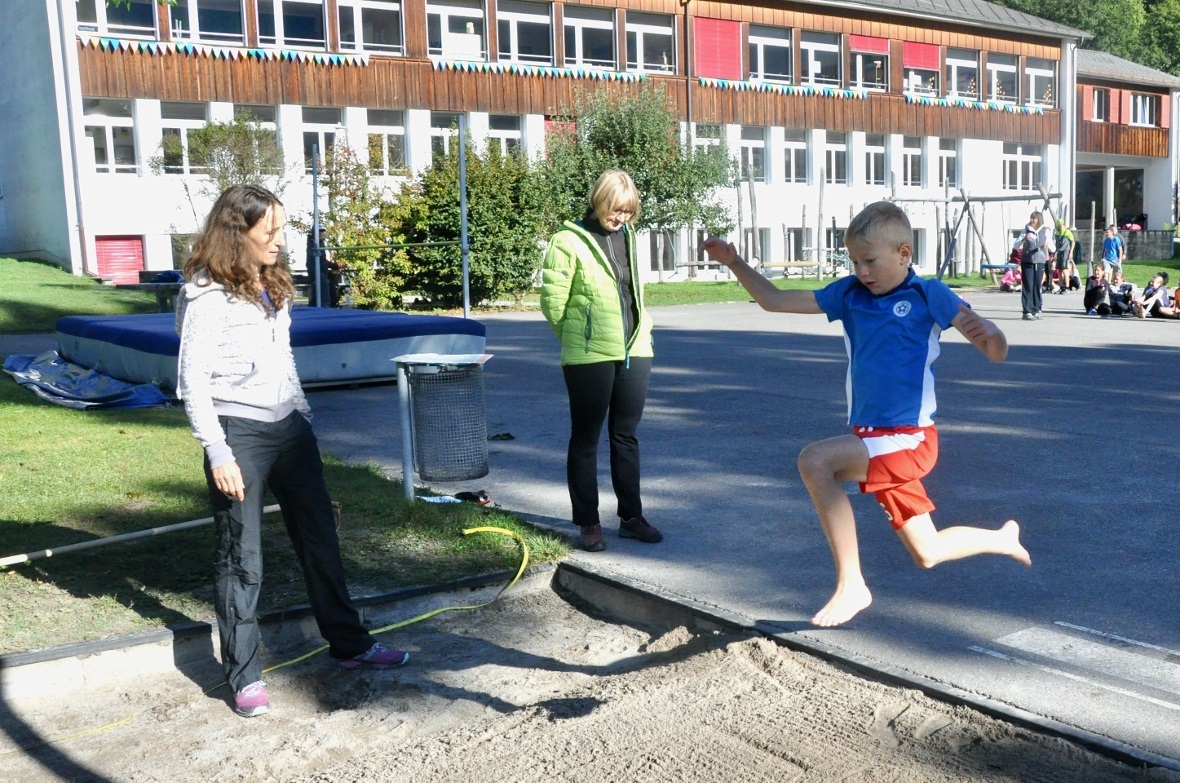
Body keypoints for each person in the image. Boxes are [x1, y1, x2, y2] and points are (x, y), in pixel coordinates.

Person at [701, 201, 1030, 627]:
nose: (862, 271)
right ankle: (1001, 538)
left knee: (815, 460)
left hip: (908, 440)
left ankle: (852, 583)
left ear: (904, 254)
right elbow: (774, 300)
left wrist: (995, 334)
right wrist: (735, 262)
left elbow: (994, 352)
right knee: (927, 552)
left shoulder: (929, 294)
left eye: (870, 260)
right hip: (873, 439)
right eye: (855, 261)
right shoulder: (850, 295)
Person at [176, 185, 408, 718]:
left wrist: (302, 416)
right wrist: (218, 452)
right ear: (239, 233)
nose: (280, 241)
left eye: (281, 229)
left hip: (289, 429)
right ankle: (245, 675)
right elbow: (191, 381)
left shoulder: (271, 284)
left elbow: (284, 361)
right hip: (239, 434)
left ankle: (350, 645)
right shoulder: (205, 294)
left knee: (321, 538)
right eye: (270, 231)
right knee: (242, 558)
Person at [540, 170, 663, 552]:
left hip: (635, 349)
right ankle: (589, 521)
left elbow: (633, 293)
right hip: (588, 354)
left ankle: (630, 516)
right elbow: (552, 301)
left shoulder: (631, 238)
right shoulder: (567, 240)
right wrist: (579, 337)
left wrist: (640, 335)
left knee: (626, 436)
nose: (620, 218)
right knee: (586, 438)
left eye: (628, 211)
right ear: (599, 200)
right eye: (615, 209)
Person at [1020, 212, 1049, 320]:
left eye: (1034, 218)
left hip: (1040, 261)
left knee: (1037, 285)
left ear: (1039, 219)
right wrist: (1024, 239)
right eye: (1031, 218)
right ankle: (1027, 311)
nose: (1032, 220)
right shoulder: (1026, 230)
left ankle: (1036, 309)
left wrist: (1048, 245)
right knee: (1028, 285)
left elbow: (1053, 248)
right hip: (1027, 260)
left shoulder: (1045, 230)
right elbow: (1016, 245)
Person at [1052, 220, 1073, 294]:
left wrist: (1071, 252)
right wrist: (1054, 253)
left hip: (1065, 252)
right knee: (1059, 270)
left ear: (1064, 224)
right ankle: (1061, 287)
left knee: (1065, 270)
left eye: (1061, 224)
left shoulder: (1067, 232)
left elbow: (1072, 241)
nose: (1060, 226)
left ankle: (1067, 287)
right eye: (1059, 224)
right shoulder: (1057, 233)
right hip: (1059, 252)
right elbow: (1056, 244)